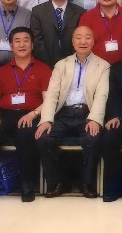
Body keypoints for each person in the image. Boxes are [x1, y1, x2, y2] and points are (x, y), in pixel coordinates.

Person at [0, 27, 51, 202]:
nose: (22, 44)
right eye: (17, 41)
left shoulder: (43, 69)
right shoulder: (2, 71)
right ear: (11, 45)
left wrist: (33, 114)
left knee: (26, 134)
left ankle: (27, 184)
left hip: (31, 115)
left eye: (26, 40)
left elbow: (49, 100)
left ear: (32, 44)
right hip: (6, 115)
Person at [36, 26, 110, 198]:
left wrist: (95, 119)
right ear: (72, 41)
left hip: (87, 114)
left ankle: (86, 184)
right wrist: (46, 120)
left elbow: (102, 95)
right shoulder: (61, 65)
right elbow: (52, 95)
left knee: (91, 138)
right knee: (44, 138)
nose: (83, 41)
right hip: (63, 114)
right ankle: (58, 183)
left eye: (87, 37)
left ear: (93, 41)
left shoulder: (103, 66)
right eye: (78, 37)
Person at [30, 0, 87, 67]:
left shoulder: (80, 12)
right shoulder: (38, 12)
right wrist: (48, 66)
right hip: (45, 66)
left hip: (73, 66)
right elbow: (37, 42)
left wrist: (70, 65)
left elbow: (81, 41)